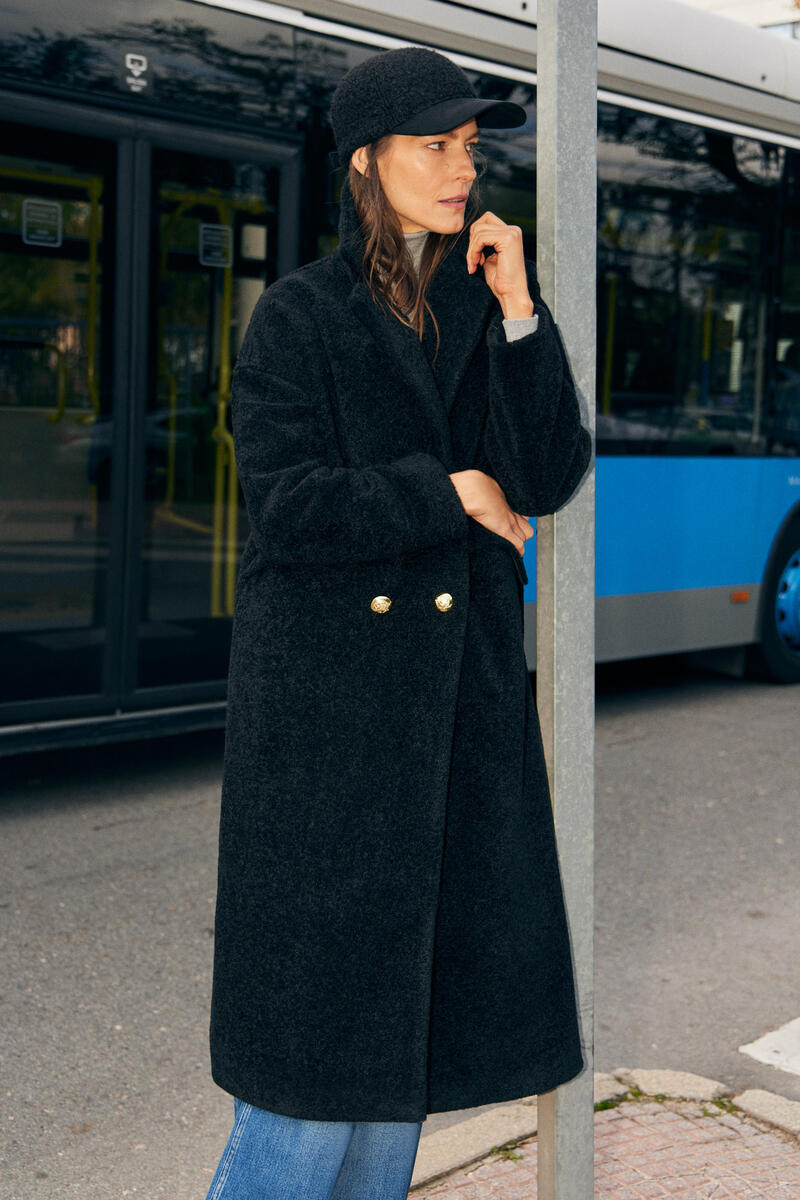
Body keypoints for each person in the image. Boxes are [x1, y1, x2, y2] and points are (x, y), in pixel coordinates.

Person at [204, 45, 592, 1200]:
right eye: (433, 143)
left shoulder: (477, 304)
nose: (459, 164)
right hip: (328, 746)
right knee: (308, 1098)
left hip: (449, 733)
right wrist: (448, 491)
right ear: (367, 162)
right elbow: (285, 505)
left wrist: (521, 310)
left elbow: (548, 468)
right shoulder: (299, 316)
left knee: (392, 1094)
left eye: (467, 144)